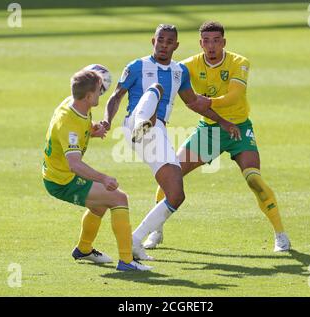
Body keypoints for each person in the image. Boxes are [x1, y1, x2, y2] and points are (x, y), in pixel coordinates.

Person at [145, 21, 291, 252]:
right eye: (206, 41)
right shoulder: (188, 66)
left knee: (254, 179)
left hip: (239, 128)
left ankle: (280, 235)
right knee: (169, 175)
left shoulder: (239, 62)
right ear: (200, 43)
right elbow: (165, 78)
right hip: (209, 129)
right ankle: (156, 231)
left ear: (224, 42)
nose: (211, 46)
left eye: (216, 41)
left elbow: (235, 94)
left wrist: (209, 102)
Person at [102, 24, 239, 260]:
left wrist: (223, 122)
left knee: (176, 194)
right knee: (155, 88)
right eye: (160, 40)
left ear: (176, 45)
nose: (164, 45)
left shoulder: (179, 72)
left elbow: (194, 102)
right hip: (134, 124)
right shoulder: (137, 66)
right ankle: (141, 123)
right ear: (152, 41)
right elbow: (116, 97)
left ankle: (134, 240)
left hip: (156, 132)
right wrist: (106, 121)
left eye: (169, 42)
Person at [42, 68, 152, 271]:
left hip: (58, 174)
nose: (102, 91)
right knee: (119, 198)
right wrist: (104, 178)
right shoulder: (69, 123)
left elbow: (70, 133)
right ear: (89, 96)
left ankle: (84, 249)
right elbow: (74, 164)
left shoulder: (74, 103)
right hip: (62, 180)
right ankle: (127, 261)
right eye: (99, 89)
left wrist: (92, 129)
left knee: (99, 206)